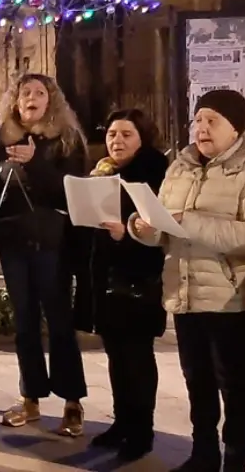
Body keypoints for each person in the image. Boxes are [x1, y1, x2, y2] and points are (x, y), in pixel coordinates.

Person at [129, 89, 245, 472]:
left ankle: (236, 459)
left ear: (235, 129)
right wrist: (142, 227)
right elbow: (164, 226)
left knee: (234, 383)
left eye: (212, 120)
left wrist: (188, 222)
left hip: (229, 297)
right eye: (198, 120)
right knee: (197, 381)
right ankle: (203, 453)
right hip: (185, 291)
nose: (201, 128)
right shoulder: (179, 166)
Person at [0, 73, 88, 436]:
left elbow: (70, 192)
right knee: (24, 323)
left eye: (39, 93)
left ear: (51, 101)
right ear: (15, 102)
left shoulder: (67, 140)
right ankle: (30, 397)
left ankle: (72, 401)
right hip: (14, 242)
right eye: (25, 92)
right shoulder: (3, 138)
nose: (32, 98)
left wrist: (35, 162)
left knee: (59, 321)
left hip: (52, 242)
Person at [79, 109, 169, 462]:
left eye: (126, 134)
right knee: (116, 354)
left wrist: (125, 234)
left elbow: (159, 230)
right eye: (112, 134)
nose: (116, 141)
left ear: (143, 139)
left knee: (137, 357)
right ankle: (123, 422)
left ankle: (141, 431)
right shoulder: (103, 172)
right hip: (107, 277)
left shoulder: (152, 175)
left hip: (139, 279)